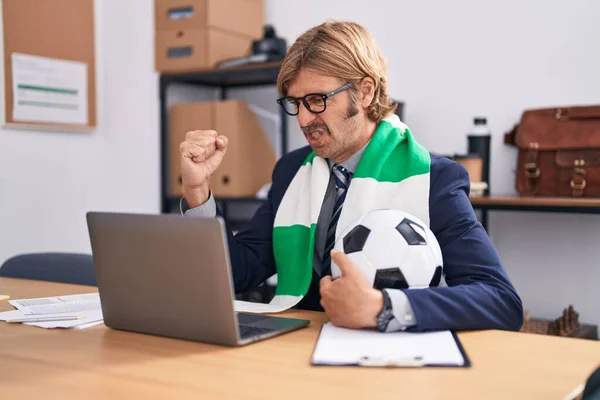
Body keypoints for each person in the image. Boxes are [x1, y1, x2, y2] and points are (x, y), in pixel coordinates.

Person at [178, 20, 523, 333]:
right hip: (296, 352)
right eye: (295, 103)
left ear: (365, 91)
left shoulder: (435, 179)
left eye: (316, 100)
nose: (302, 119)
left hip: (387, 363)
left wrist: (383, 308)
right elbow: (238, 272)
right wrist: (197, 190)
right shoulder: (291, 172)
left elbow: (500, 300)